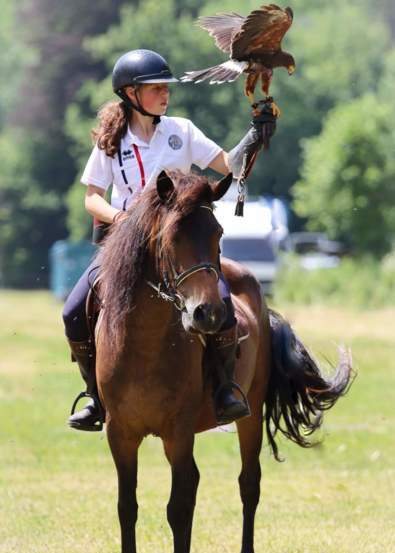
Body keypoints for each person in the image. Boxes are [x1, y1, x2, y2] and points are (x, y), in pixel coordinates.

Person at [62, 49, 277, 432]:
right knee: (74, 311)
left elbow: (228, 165)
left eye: (166, 88)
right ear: (130, 94)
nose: (166, 95)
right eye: (156, 88)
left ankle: (226, 389)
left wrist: (254, 135)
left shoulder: (182, 131)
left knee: (223, 304)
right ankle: (96, 396)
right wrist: (121, 217)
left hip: (180, 246)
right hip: (124, 248)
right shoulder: (111, 141)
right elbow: (92, 196)